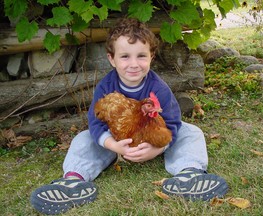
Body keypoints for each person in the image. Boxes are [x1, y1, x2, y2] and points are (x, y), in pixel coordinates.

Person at [30, 18, 228, 215]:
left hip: (152, 138)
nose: (134, 64)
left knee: (190, 132)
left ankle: (189, 174)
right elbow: (95, 122)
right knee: (83, 139)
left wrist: (158, 148)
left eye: (141, 56)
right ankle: (73, 180)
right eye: (125, 56)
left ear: (151, 56)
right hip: (118, 140)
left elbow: (173, 121)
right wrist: (113, 145)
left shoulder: (158, 87)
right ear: (111, 59)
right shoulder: (106, 87)